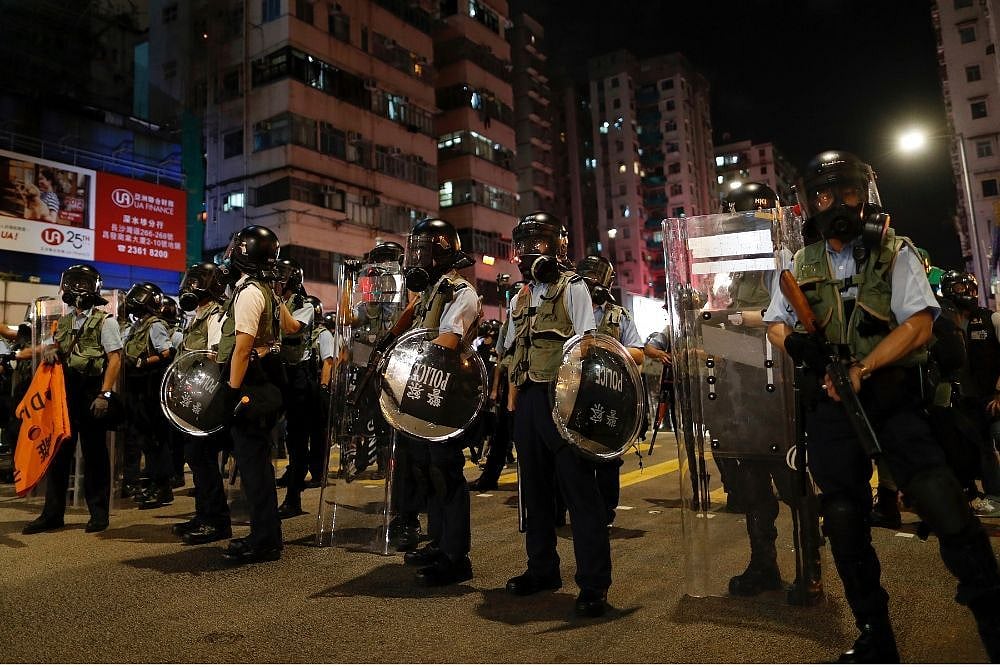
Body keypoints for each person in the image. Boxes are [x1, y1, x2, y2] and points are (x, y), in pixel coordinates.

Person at [764, 150, 1000, 661]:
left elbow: (918, 323)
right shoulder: (798, 264)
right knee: (844, 517)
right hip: (831, 409)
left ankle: (994, 620)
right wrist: (797, 345)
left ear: (865, 198)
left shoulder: (896, 252)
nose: (834, 205)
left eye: (846, 193)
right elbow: (776, 323)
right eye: (823, 196)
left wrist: (863, 369)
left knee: (942, 502)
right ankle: (875, 633)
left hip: (891, 398)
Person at [712, 182, 824, 605]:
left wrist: (733, 318)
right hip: (743, 384)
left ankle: (809, 567)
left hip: (780, 384)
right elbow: (732, 327)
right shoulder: (737, 268)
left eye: (749, 221)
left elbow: (787, 317)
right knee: (753, 484)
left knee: (792, 483)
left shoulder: (785, 259)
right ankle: (765, 564)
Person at [500, 211, 611, 618]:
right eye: (523, 245)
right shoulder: (519, 297)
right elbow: (514, 351)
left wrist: (575, 406)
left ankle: (594, 584)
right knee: (534, 491)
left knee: (579, 492)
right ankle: (541, 569)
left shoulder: (574, 288)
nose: (529, 253)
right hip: (528, 400)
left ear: (558, 247)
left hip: (562, 398)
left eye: (538, 243)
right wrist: (512, 402)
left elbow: (586, 345)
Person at [396, 217, 480, 587]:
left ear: (443, 252)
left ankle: (455, 556)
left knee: (447, 473)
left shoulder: (461, 292)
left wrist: (410, 360)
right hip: (421, 392)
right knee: (426, 471)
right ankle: (438, 541)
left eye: (423, 251)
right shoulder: (431, 292)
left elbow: (449, 339)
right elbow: (408, 325)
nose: (417, 258)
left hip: (446, 394)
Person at [214, 224, 300, 563]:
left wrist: (230, 393)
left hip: (250, 381)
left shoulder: (250, 291)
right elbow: (292, 327)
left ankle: (264, 540)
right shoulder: (265, 290)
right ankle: (266, 535)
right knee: (256, 463)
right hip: (265, 380)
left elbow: (241, 348)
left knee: (253, 467)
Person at [23, 265, 122, 534]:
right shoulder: (65, 322)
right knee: (58, 455)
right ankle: (52, 514)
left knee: (95, 456)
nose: (75, 290)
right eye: (71, 284)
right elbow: (59, 345)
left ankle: (99, 514)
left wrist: (105, 394)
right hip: (65, 393)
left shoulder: (106, 321)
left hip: (92, 393)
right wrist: (51, 351)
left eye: (80, 284)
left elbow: (114, 359)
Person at [576, 255, 644, 527]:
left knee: (607, 458)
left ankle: (605, 512)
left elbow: (638, 353)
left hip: (610, 395)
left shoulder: (619, 315)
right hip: (575, 394)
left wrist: (605, 347)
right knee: (575, 456)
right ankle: (580, 510)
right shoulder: (569, 309)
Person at [171, 262, 233, 545]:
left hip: (205, 397)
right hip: (190, 395)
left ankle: (216, 521)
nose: (191, 286)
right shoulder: (196, 316)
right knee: (196, 458)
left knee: (203, 457)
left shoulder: (216, 316)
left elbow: (214, 358)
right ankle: (203, 514)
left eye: (197, 281)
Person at [939, 270, 1000, 517]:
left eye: (972, 289)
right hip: (962, 401)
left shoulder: (991, 319)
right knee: (971, 449)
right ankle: (981, 496)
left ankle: (994, 496)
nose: (969, 294)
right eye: (962, 289)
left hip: (990, 398)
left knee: (994, 440)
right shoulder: (941, 324)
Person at [121, 282, 174, 509]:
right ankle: (152, 483)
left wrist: (143, 362)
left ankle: (162, 488)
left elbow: (167, 352)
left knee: (156, 440)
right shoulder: (136, 326)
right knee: (144, 439)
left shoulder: (154, 325)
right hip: (136, 387)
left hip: (150, 386)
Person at [274, 257, 315, 519]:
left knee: (297, 438)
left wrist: (275, 300)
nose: (276, 281)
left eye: (281, 277)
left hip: (299, 374)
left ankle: (293, 497)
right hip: (276, 371)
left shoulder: (306, 306)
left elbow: (290, 327)